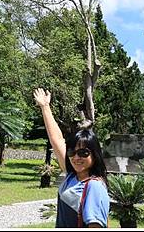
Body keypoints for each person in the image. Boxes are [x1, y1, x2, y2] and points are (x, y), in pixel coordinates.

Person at [33, 88, 110, 228]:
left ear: (95, 154)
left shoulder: (94, 186)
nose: (76, 158)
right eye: (71, 152)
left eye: (83, 153)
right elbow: (57, 140)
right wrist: (45, 107)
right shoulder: (73, 176)